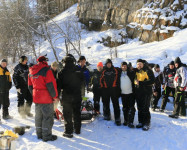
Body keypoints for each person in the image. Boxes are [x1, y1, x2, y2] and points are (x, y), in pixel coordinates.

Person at [28, 56, 59, 142]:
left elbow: (30, 86)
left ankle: (39, 134)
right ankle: (47, 136)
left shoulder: (31, 71)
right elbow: (51, 85)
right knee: (47, 117)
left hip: (37, 98)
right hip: (46, 98)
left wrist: (35, 94)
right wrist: (54, 97)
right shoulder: (46, 70)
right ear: (45, 61)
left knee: (38, 117)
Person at [58, 56, 83, 138]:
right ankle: (77, 129)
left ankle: (68, 131)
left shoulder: (61, 72)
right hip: (77, 95)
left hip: (66, 96)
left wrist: (58, 95)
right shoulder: (78, 70)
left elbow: (59, 86)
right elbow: (82, 83)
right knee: (77, 113)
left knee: (67, 114)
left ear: (64, 62)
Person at [134, 59, 155, 131]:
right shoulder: (136, 71)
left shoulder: (148, 71)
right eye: (137, 64)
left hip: (146, 93)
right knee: (139, 108)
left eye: (140, 64)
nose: (139, 65)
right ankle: (141, 122)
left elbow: (152, 81)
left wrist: (141, 83)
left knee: (145, 108)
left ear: (143, 64)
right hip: (138, 92)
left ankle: (146, 123)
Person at [100, 59, 121, 126]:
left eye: (110, 63)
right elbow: (100, 80)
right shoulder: (103, 70)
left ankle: (117, 118)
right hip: (106, 90)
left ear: (111, 64)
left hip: (114, 89)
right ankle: (107, 115)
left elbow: (118, 78)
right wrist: (102, 88)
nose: (109, 65)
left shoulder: (115, 70)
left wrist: (118, 89)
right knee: (106, 103)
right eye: (107, 64)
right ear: (106, 64)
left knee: (116, 104)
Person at [119, 62, 136, 128]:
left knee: (131, 108)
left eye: (125, 66)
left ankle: (130, 122)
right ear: (121, 67)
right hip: (123, 94)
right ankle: (126, 120)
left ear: (127, 67)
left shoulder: (131, 72)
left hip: (131, 93)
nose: (124, 67)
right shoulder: (119, 73)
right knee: (125, 108)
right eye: (122, 66)